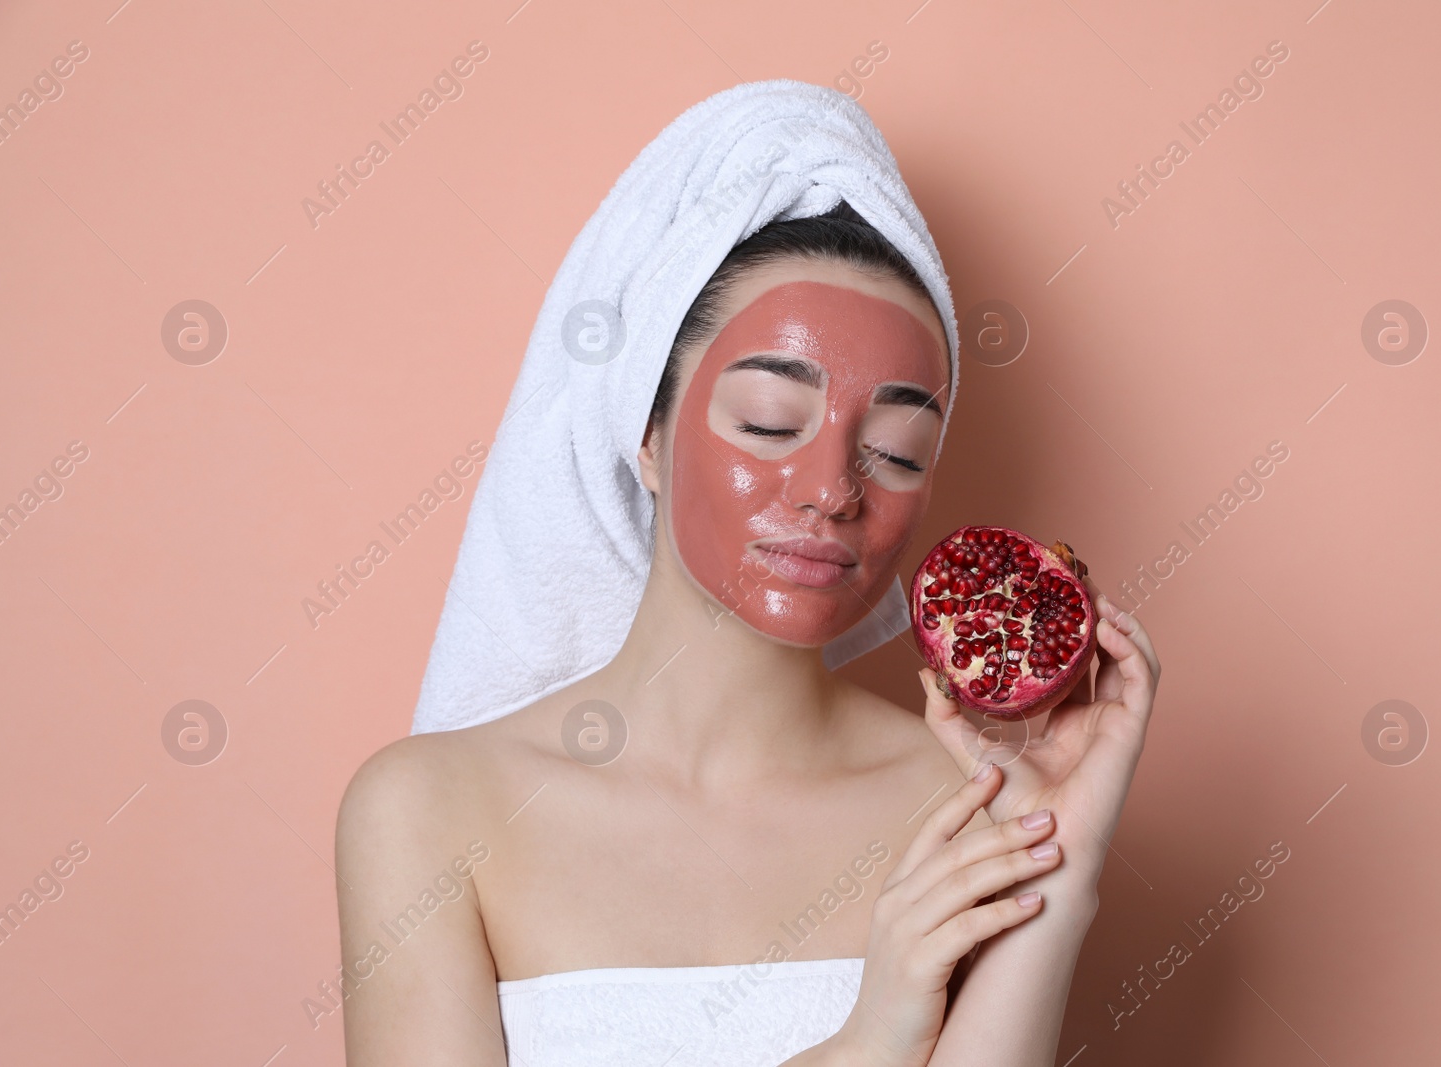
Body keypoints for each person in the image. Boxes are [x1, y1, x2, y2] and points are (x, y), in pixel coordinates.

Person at [335, 83, 1159, 1067]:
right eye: (770, 422)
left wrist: (1059, 870)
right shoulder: (429, 811)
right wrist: (869, 1039)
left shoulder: (967, 808)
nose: (830, 491)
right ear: (646, 434)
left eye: (897, 450)